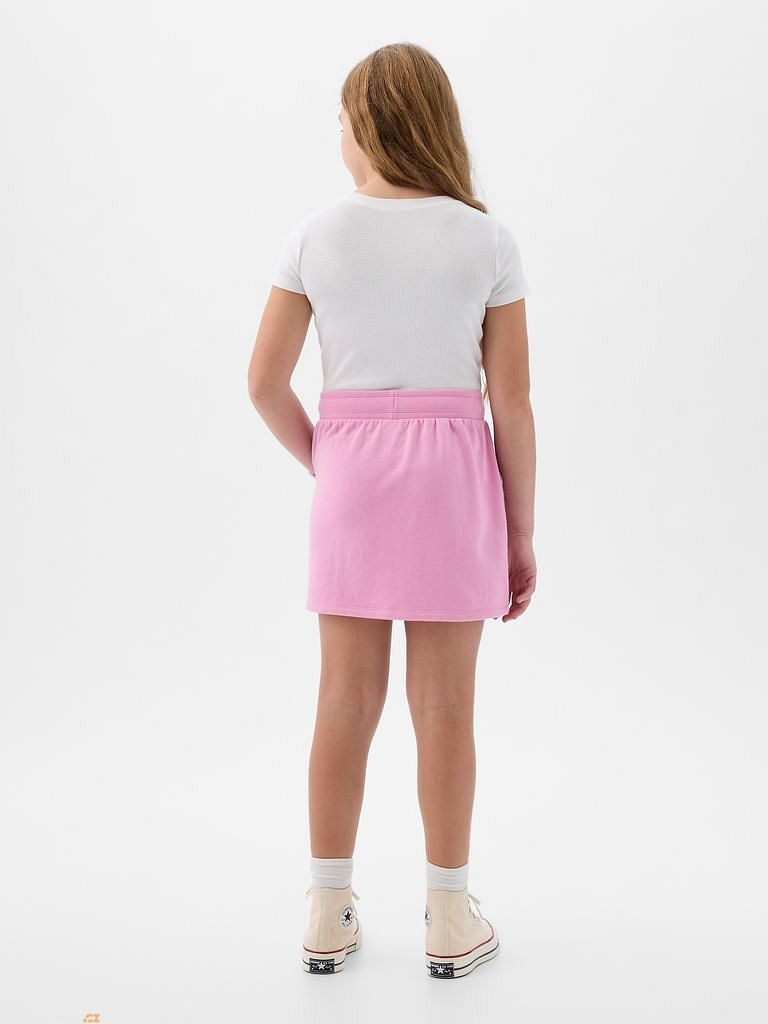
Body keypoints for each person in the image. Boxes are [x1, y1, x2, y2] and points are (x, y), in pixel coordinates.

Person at [247, 41, 537, 979]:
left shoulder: (314, 235)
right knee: (445, 706)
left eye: (340, 118)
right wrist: (520, 532)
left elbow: (263, 383)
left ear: (369, 126)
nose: (335, 134)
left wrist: (329, 462)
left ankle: (328, 911)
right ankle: (450, 917)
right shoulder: (488, 240)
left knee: (344, 698)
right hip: (455, 486)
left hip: (355, 480)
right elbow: (513, 404)